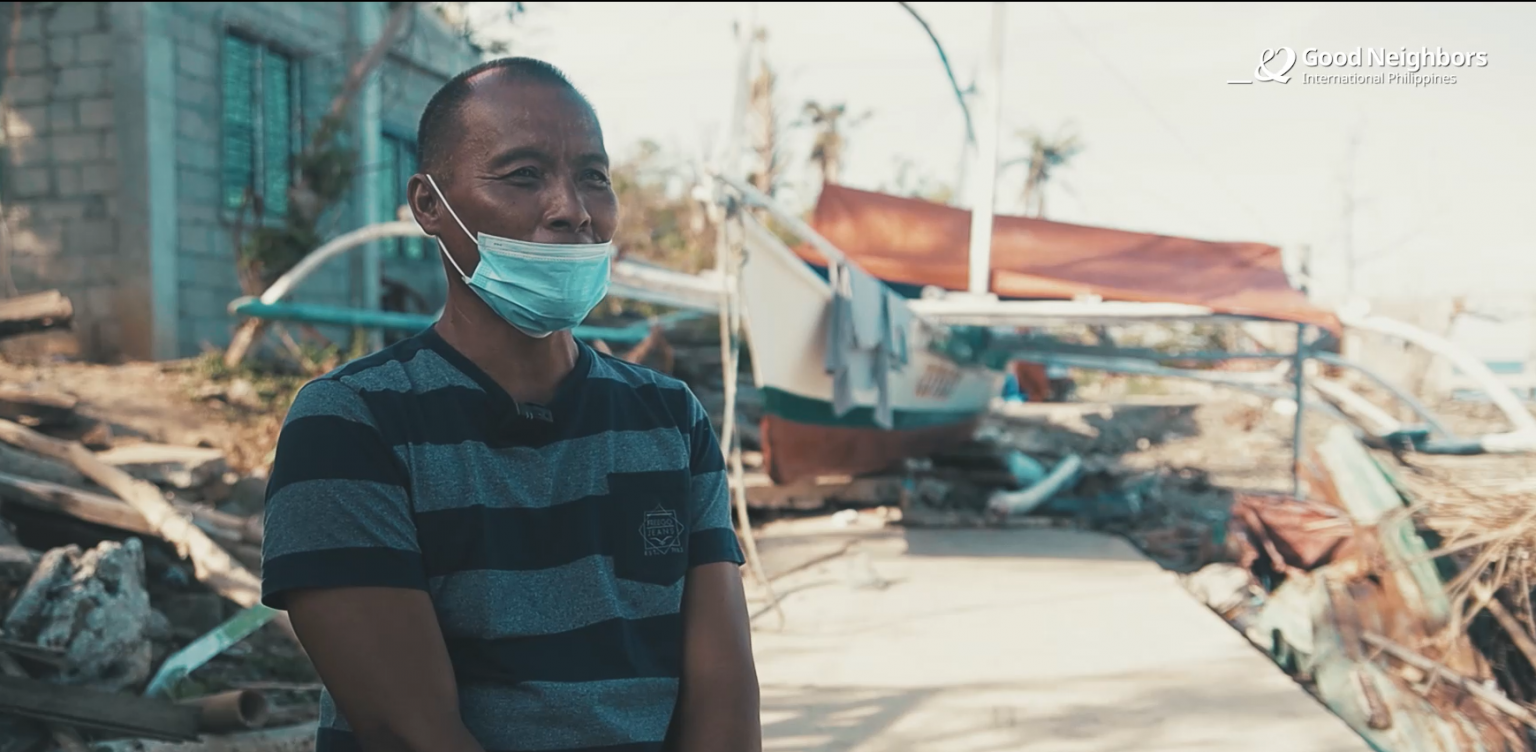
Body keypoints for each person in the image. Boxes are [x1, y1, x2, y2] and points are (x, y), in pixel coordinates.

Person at [260, 57, 762, 752]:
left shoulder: (670, 420)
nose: (572, 209)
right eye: (524, 175)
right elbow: (411, 733)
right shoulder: (351, 425)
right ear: (429, 205)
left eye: (593, 176)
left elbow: (724, 710)